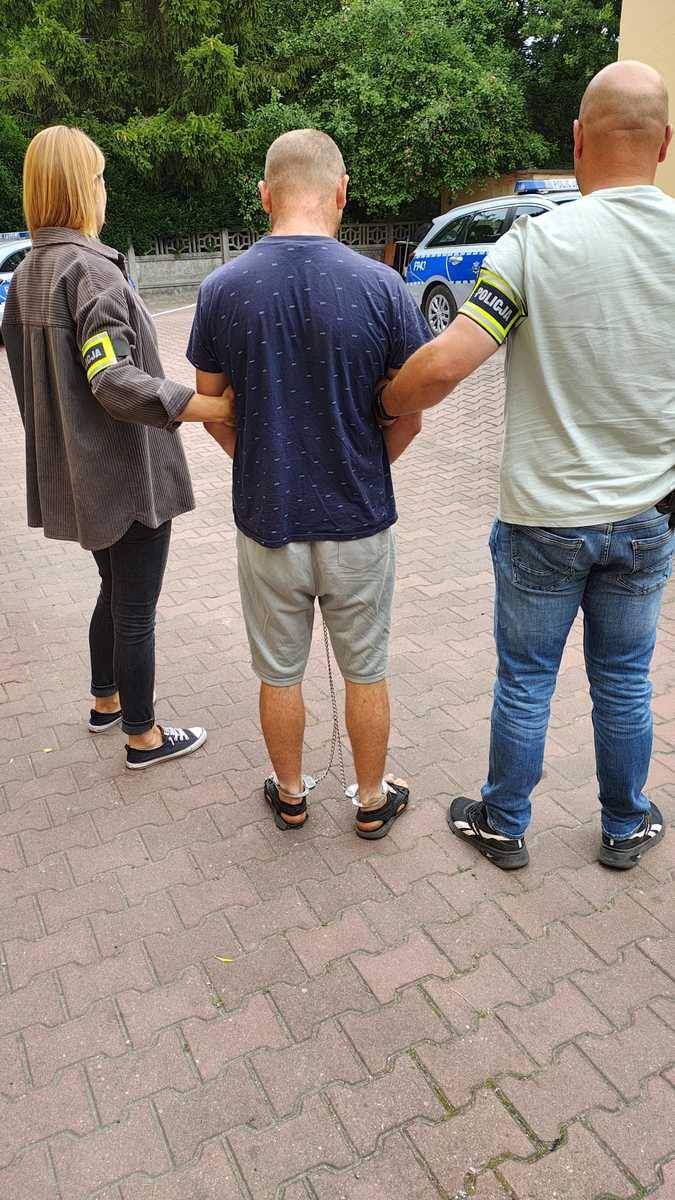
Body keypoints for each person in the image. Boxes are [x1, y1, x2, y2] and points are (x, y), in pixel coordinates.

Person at [376, 60, 674, 871]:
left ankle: (503, 823)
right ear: (663, 144)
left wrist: (384, 402)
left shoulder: (534, 243)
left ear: (576, 140)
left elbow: (445, 365)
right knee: (624, 681)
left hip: (543, 519)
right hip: (645, 518)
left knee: (525, 680)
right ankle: (624, 825)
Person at [187, 129, 431, 836]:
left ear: (265, 196)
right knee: (366, 669)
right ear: (342, 192)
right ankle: (371, 800)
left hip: (268, 520)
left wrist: (265, 465)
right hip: (359, 520)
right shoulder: (383, 287)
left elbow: (210, 406)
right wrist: (356, 469)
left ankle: (291, 794)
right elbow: (410, 417)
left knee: (279, 672)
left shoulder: (222, 289)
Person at [2, 125, 232, 769]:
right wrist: (210, 406)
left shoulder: (27, 276)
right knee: (135, 609)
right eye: (100, 178)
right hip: (127, 477)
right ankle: (143, 735)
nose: (105, 190)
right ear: (81, 188)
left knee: (113, 589)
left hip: (78, 475)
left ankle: (106, 701)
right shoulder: (91, 270)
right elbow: (111, 380)